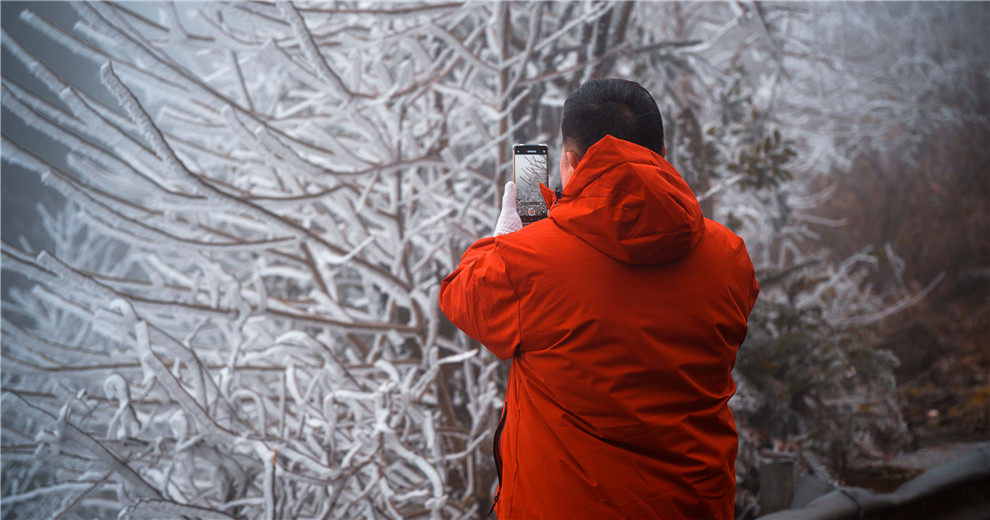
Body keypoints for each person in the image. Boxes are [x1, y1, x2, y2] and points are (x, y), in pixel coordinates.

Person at [438, 78, 759, 520]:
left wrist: (506, 241)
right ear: (661, 157)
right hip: (694, 507)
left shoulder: (525, 263)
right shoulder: (731, 257)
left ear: (568, 161)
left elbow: (460, 295)